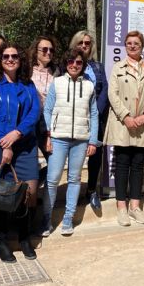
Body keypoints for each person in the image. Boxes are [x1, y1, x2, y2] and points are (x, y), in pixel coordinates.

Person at [0, 43, 40, 261]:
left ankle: (24, 237)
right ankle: (2, 240)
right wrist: (6, 144)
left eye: (14, 56)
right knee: (1, 193)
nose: (10, 59)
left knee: (29, 193)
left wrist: (17, 133)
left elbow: (34, 112)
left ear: (21, 59)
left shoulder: (28, 85)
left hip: (25, 144)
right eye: (5, 56)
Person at [105, 31, 144, 226]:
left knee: (138, 165)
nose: (132, 46)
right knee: (122, 165)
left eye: (136, 43)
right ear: (125, 46)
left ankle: (135, 207)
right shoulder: (117, 68)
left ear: (142, 46)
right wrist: (126, 116)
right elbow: (112, 94)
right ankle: (122, 208)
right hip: (124, 124)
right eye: (129, 43)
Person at [42, 48, 99, 236]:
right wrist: (49, 134)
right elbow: (48, 110)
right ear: (65, 64)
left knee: (74, 179)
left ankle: (68, 219)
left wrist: (93, 140)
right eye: (71, 62)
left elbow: (94, 114)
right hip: (59, 138)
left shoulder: (89, 86)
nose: (74, 65)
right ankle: (46, 221)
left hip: (81, 140)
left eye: (79, 63)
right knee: (52, 179)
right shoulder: (57, 83)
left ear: (83, 66)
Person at [69, 31, 109, 211]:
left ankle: (92, 189)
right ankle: (73, 191)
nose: (84, 46)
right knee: (75, 157)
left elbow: (105, 89)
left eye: (87, 43)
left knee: (95, 157)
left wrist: (97, 112)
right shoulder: (68, 65)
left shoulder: (98, 67)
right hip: (74, 119)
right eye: (80, 43)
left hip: (96, 120)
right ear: (74, 45)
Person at [29, 35, 60, 181]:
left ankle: (43, 190)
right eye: (44, 49)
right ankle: (30, 199)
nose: (48, 53)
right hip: (30, 122)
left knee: (54, 162)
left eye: (51, 50)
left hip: (49, 123)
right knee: (28, 163)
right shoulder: (26, 71)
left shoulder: (57, 73)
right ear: (36, 51)